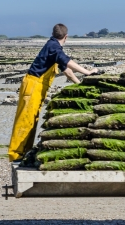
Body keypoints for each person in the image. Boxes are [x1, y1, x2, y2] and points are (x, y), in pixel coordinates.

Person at [8, 23, 98, 161]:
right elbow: (67, 62)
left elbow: (67, 71)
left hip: (37, 88)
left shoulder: (53, 47)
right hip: (32, 85)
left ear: (53, 33)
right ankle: (15, 155)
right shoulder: (53, 47)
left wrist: (80, 84)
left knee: (33, 120)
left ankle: (25, 152)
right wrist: (88, 72)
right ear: (66, 37)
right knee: (25, 120)